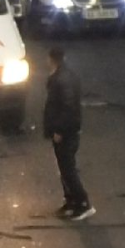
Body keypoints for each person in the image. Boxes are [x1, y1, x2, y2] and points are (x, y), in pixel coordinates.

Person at [43, 47, 94, 220]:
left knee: (68, 169)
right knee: (64, 168)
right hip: (68, 130)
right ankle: (71, 201)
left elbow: (67, 107)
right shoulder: (65, 76)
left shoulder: (61, 80)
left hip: (66, 132)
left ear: (51, 59)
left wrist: (59, 129)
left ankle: (83, 203)